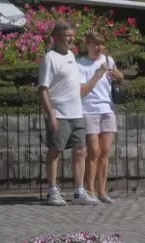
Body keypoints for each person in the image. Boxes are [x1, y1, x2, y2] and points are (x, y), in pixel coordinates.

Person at [38, 21, 107, 206]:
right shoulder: (49, 58)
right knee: (55, 152)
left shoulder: (71, 55)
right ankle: (52, 191)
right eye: (67, 35)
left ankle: (79, 191)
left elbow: (77, 88)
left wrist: (97, 76)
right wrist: (51, 114)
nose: (71, 39)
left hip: (76, 112)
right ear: (57, 36)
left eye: (72, 35)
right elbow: (43, 89)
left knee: (80, 151)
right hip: (59, 112)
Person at [77, 31, 125, 204]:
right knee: (94, 152)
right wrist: (98, 73)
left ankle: (102, 191)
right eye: (95, 44)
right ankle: (89, 190)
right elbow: (81, 91)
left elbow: (119, 77)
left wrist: (119, 76)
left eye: (101, 44)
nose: (98, 48)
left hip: (107, 109)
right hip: (89, 110)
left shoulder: (108, 60)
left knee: (104, 152)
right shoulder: (80, 65)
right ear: (87, 44)